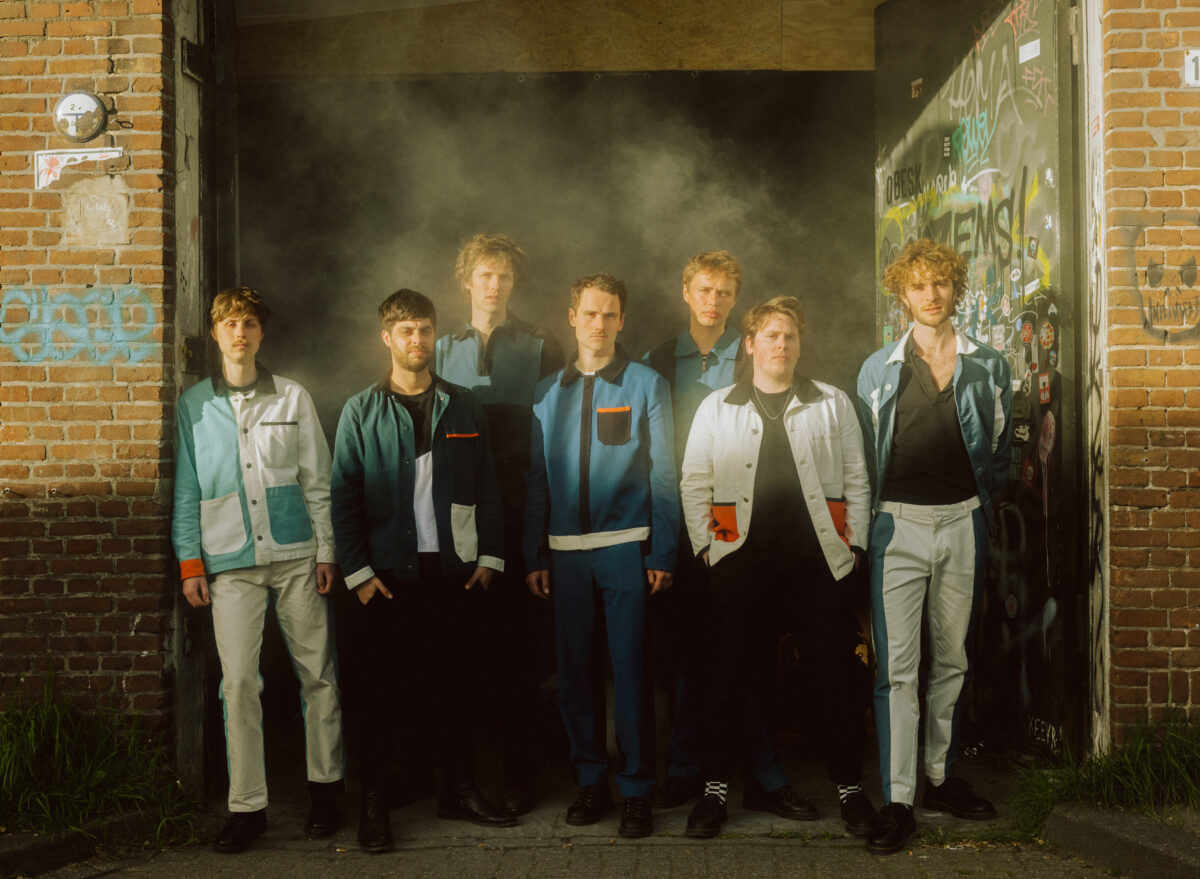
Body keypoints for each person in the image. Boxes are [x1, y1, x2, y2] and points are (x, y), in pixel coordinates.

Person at [678, 295, 877, 840]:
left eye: (789, 336)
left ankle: (850, 791)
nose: (781, 345)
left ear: (800, 344)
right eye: (770, 335)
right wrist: (708, 550)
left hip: (819, 564)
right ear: (749, 344)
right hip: (740, 562)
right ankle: (715, 792)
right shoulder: (718, 406)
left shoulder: (832, 402)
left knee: (835, 676)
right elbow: (694, 482)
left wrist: (854, 548)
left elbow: (858, 479)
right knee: (728, 678)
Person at [331, 288, 514, 855]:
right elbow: (343, 496)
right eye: (407, 331)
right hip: (385, 576)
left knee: (456, 685)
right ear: (386, 337)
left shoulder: (462, 405)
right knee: (378, 694)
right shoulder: (361, 410)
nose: (418, 340)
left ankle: (458, 789)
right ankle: (374, 801)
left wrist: (490, 555)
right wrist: (357, 572)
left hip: (452, 570)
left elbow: (486, 484)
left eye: (426, 330)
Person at [171, 286, 344, 854]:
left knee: (318, 676)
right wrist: (190, 563)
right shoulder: (194, 405)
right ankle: (247, 808)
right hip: (230, 561)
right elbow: (188, 490)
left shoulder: (292, 396)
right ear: (214, 334)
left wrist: (326, 551)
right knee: (239, 683)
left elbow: (318, 480)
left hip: (296, 556)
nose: (239, 332)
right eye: (229, 324)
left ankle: (327, 792)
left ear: (261, 332)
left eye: (248, 323)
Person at [856, 239, 1013, 854]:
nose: (931, 294)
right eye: (918, 284)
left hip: (963, 521)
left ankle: (941, 779)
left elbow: (999, 449)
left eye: (941, 283)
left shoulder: (988, 365)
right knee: (897, 671)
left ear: (955, 288)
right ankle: (899, 801)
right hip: (897, 525)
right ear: (902, 294)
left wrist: (978, 506)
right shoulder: (878, 368)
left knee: (953, 661)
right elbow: (864, 455)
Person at [524, 273, 679, 839]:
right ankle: (591, 782)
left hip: (626, 548)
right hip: (564, 553)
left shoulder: (646, 383)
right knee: (575, 675)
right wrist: (534, 552)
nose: (599, 323)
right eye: (590, 313)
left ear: (621, 321)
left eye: (609, 314)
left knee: (631, 671)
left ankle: (637, 790)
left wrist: (663, 550)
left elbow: (664, 473)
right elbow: (536, 478)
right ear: (573, 317)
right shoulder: (546, 391)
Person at [642, 251, 795, 816]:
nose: (713, 301)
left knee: (749, 649)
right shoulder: (657, 360)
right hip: (678, 520)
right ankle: (687, 767)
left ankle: (762, 773)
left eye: (725, 292)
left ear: (736, 299)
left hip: (745, 520)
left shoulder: (754, 352)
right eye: (704, 290)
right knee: (687, 652)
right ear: (686, 292)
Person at [435, 233, 563, 814]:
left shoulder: (540, 344)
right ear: (467, 280)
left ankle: (520, 780)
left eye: (504, 276)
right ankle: (452, 782)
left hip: (517, 515)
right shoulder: (438, 346)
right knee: (456, 654)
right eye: (485, 275)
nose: (495, 285)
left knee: (518, 652)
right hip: (456, 520)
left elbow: (552, 439)